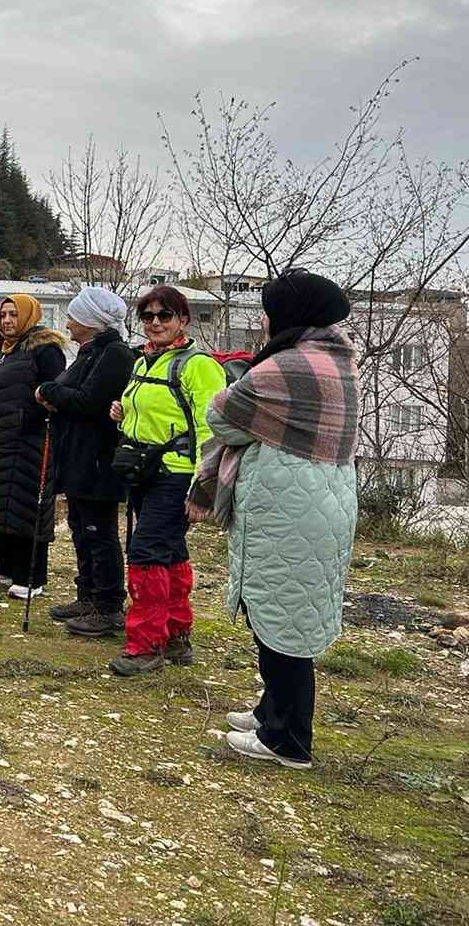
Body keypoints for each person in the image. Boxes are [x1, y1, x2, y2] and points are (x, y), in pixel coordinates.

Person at [190, 270, 359, 769]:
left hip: (288, 505)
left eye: (267, 311)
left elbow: (221, 416)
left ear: (287, 315)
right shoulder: (339, 362)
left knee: (281, 618)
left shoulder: (286, 367)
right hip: (323, 500)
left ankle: (287, 740)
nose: (262, 320)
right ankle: (272, 712)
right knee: (287, 611)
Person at [106, 285, 226, 675]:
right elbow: (158, 414)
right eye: (147, 316)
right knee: (169, 552)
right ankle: (175, 636)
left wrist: (204, 487)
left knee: (145, 554)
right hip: (145, 471)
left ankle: (146, 645)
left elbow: (213, 429)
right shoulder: (144, 363)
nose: (155, 323)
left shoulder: (198, 365)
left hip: (176, 476)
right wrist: (124, 412)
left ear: (183, 320)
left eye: (164, 315)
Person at [37, 286, 136, 636]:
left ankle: (108, 604)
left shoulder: (115, 355)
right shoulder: (91, 352)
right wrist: (56, 396)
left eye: (73, 317)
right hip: (78, 454)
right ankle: (88, 594)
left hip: (98, 459)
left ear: (91, 321)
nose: (68, 323)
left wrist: (50, 392)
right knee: (81, 527)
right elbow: (74, 395)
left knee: (99, 531)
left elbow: (87, 400)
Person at [0, 294, 67, 598]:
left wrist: (28, 417)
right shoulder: (2, 350)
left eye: (13, 314)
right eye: (3, 315)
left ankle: (32, 577)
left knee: (25, 508)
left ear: (28, 316)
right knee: (0, 503)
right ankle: (7, 567)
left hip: (28, 442)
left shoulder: (45, 350)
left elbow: (55, 394)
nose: (7, 320)